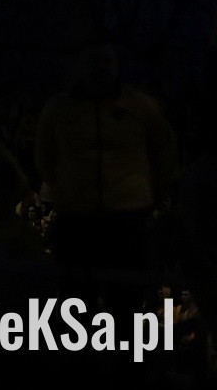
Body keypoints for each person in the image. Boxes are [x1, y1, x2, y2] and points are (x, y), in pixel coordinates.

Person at [35, 40, 176, 311]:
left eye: (107, 61)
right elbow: (44, 156)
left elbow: (164, 154)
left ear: (117, 65)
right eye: (93, 61)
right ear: (80, 66)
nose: (101, 68)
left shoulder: (141, 106)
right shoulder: (58, 108)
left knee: (126, 304)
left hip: (127, 220)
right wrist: (66, 192)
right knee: (76, 305)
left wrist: (149, 199)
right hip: (77, 220)